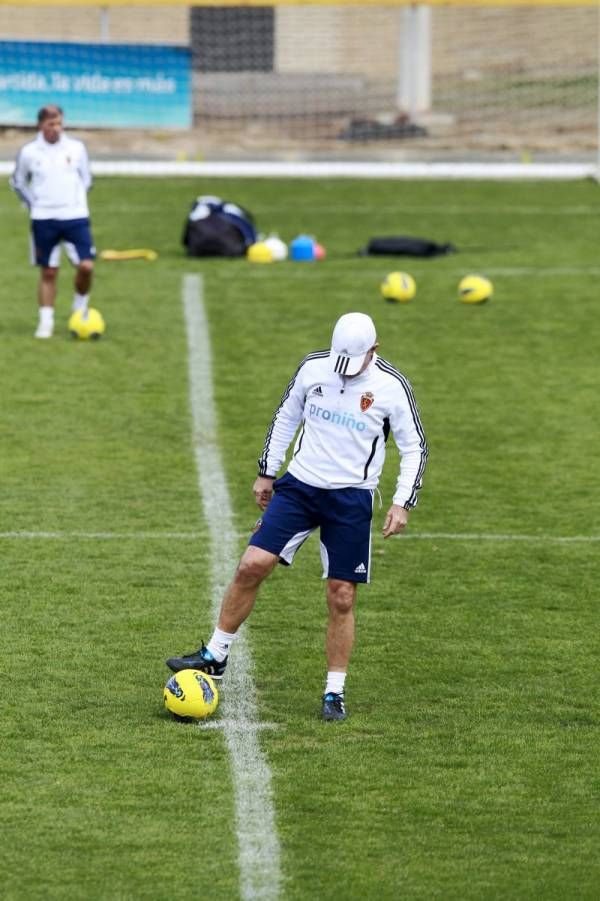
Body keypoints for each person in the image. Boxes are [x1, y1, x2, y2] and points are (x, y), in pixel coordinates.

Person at [167, 312, 428, 722]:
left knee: (341, 595)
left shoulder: (392, 387)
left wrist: (402, 502)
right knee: (252, 564)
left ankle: (334, 692)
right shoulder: (313, 368)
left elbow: (415, 447)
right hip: (300, 488)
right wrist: (267, 471)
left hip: (350, 499)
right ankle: (215, 655)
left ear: (374, 351)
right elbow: (286, 415)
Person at [10, 104, 96, 339]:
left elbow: (87, 178)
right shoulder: (29, 152)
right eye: (51, 124)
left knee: (86, 266)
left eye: (59, 123)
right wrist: (35, 205)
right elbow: (18, 181)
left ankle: (79, 307)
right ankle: (45, 322)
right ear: (41, 125)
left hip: (75, 217)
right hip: (44, 219)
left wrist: (75, 202)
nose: (56, 128)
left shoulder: (77, 148)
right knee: (49, 271)